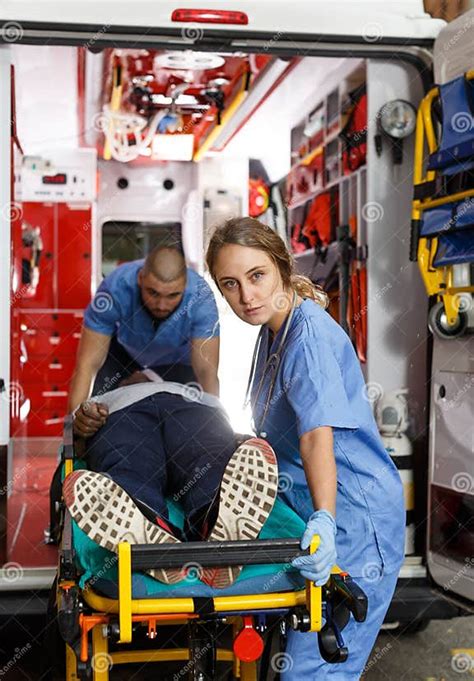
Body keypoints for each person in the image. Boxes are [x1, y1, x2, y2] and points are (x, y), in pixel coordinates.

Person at [206, 217, 406, 678]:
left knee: (314, 671)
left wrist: (325, 519)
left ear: (279, 265)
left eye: (256, 276)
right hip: (312, 511)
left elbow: (317, 435)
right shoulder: (271, 333)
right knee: (295, 662)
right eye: (230, 285)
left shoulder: (308, 335)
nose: (247, 296)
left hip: (354, 518)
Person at [63, 378, 278, 588]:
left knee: (208, 460)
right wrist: (81, 428)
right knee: (197, 462)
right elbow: (78, 446)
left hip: (192, 409)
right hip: (122, 413)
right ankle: (180, 525)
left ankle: (203, 522)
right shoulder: (102, 401)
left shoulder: (198, 393)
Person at [68, 243, 220, 438]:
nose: (161, 305)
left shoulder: (201, 298)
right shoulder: (115, 287)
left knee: (192, 417)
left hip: (176, 361)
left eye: (173, 295)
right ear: (140, 279)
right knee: (94, 412)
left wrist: (216, 429)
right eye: (153, 293)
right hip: (125, 353)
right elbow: (87, 365)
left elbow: (207, 371)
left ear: (184, 285)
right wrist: (73, 433)